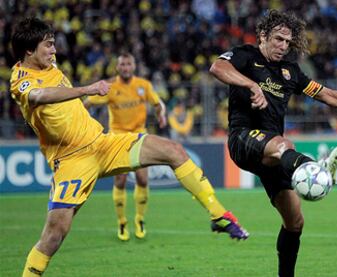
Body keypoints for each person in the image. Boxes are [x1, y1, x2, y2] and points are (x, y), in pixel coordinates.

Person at [10, 18, 249, 277]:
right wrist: (88, 89)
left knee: (174, 151)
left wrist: (158, 108)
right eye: (48, 45)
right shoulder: (20, 79)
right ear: (29, 51)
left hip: (104, 143)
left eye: (54, 44)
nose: (54, 50)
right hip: (71, 160)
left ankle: (218, 215)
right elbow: (39, 96)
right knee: (54, 236)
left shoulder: (50, 64)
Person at [209, 10, 337, 277]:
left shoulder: (290, 72)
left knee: (295, 222)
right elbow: (218, 67)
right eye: (278, 39)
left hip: (272, 155)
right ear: (263, 35)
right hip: (244, 138)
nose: (283, 46)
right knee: (285, 145)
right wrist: (253, 86)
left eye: (288, 42)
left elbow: (327, 94)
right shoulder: (245, 55)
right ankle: (315, 167)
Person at [84, 53, 167, 241]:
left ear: (134, 66)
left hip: (139, 136)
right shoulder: (110, 87)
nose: (125, 68)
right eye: (122, 65)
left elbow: (157, 103)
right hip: (117, 138)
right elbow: (87, 103)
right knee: (120, 181)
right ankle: (122, 222)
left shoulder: (143, 86)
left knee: (143, 180)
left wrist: (161, 113)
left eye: (128, 64)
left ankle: (140, 219)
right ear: (117, 67)